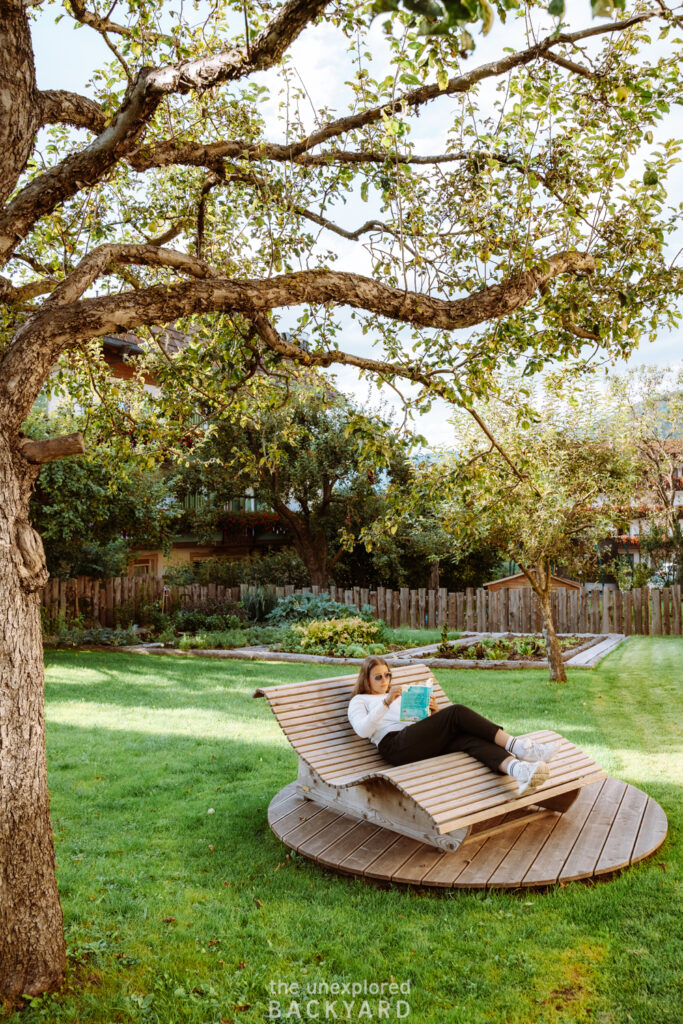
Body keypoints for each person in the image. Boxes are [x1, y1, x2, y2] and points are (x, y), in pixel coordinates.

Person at [347, 656, 559, 795]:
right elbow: (363, 731)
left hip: (415, 741)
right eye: (378, 676)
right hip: (394, 746)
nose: (384, 679)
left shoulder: (396, 694)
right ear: (366, 679)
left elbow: (418, 726)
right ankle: (519, 747)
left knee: (468, 739)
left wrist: (433, 712)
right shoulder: (360, 701)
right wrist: (386, 702)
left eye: (387, 675)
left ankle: (519, 770)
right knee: (456, 711)